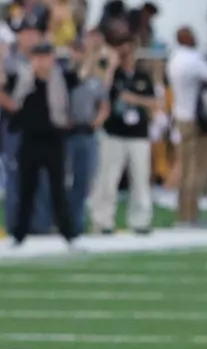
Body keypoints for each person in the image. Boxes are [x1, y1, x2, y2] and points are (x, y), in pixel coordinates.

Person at [2, 42, 76, 247]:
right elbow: (13, 102)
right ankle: (19, 234)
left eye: (45, 57)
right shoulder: (24, 79)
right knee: (26, 188)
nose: (41, 62)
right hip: (30, 140)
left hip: (54, 139)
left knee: (58, 189)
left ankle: (68, 234)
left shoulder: (61, 79)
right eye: (37, 57)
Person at [91, 29, 159, 235]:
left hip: (138, 133)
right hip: (114, 132)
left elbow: (156, 103)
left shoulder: (143, 75)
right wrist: (111, 67)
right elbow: (102, 92)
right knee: (108, 178)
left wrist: (135, 99)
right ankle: (103, 220)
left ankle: (140, 219)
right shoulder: (111, 73)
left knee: (140, 177)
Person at [167, 26, 207, 226]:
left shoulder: (174, 59)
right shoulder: (193, 59)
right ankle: (191, 214)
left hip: (180, 116)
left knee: (185, 167)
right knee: (196, 170)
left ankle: (183, 214)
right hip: (196, 120)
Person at [66, 38, 113, 237]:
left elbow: (104, 103)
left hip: (89, 132)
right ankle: (64, 222)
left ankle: (77, 222)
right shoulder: (65, 75)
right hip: (68, 133)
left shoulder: (95, 80)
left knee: (85, 181)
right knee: (65, 180)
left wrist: (100, 118)